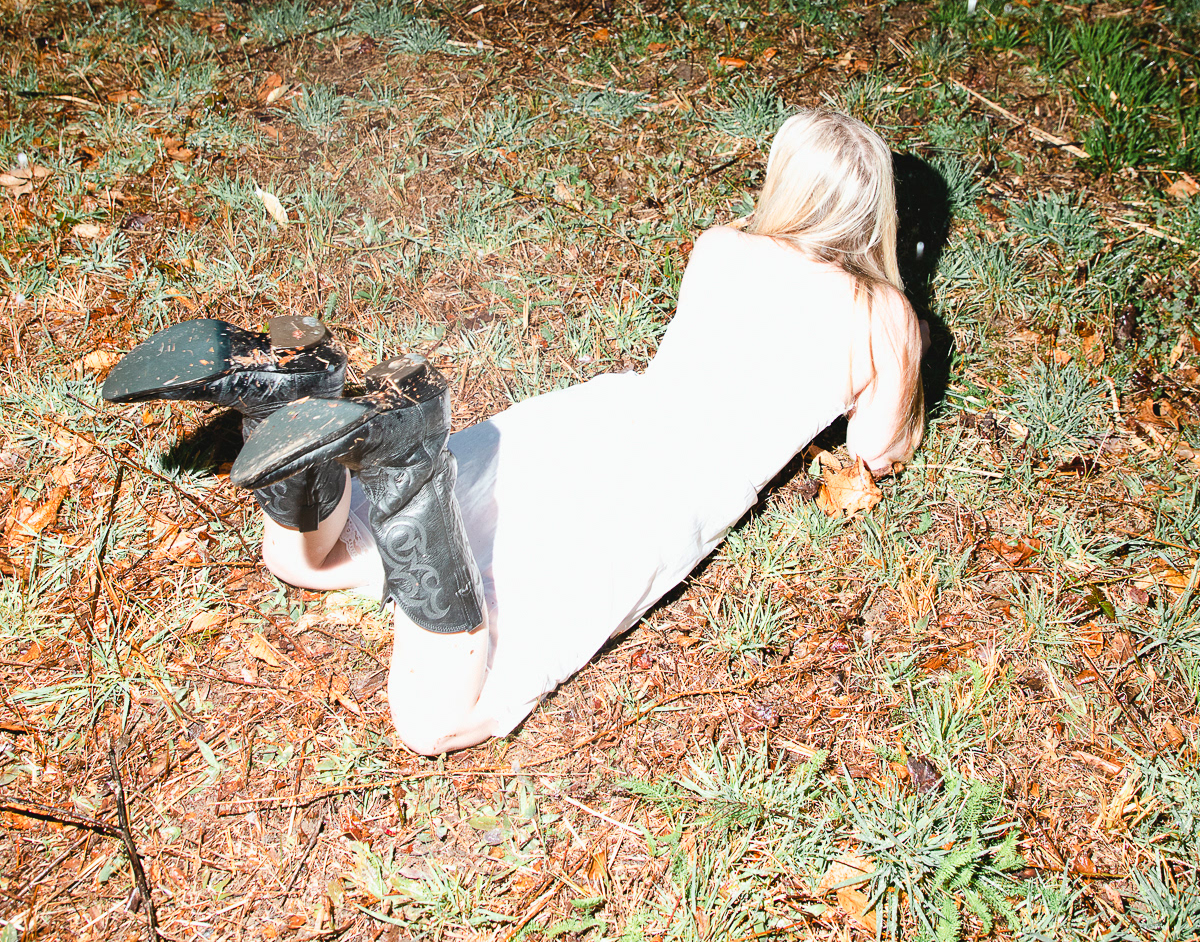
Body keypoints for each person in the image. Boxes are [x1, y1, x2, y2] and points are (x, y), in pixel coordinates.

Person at [104, 108, 924, 755]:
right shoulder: (881, 316)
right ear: (875, 209)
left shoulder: (723, 247)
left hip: (594, 423)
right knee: (438, 720)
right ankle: (413, 489)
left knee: (311, 562)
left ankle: (292, 390)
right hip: (668, 492)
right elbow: (878, 450)